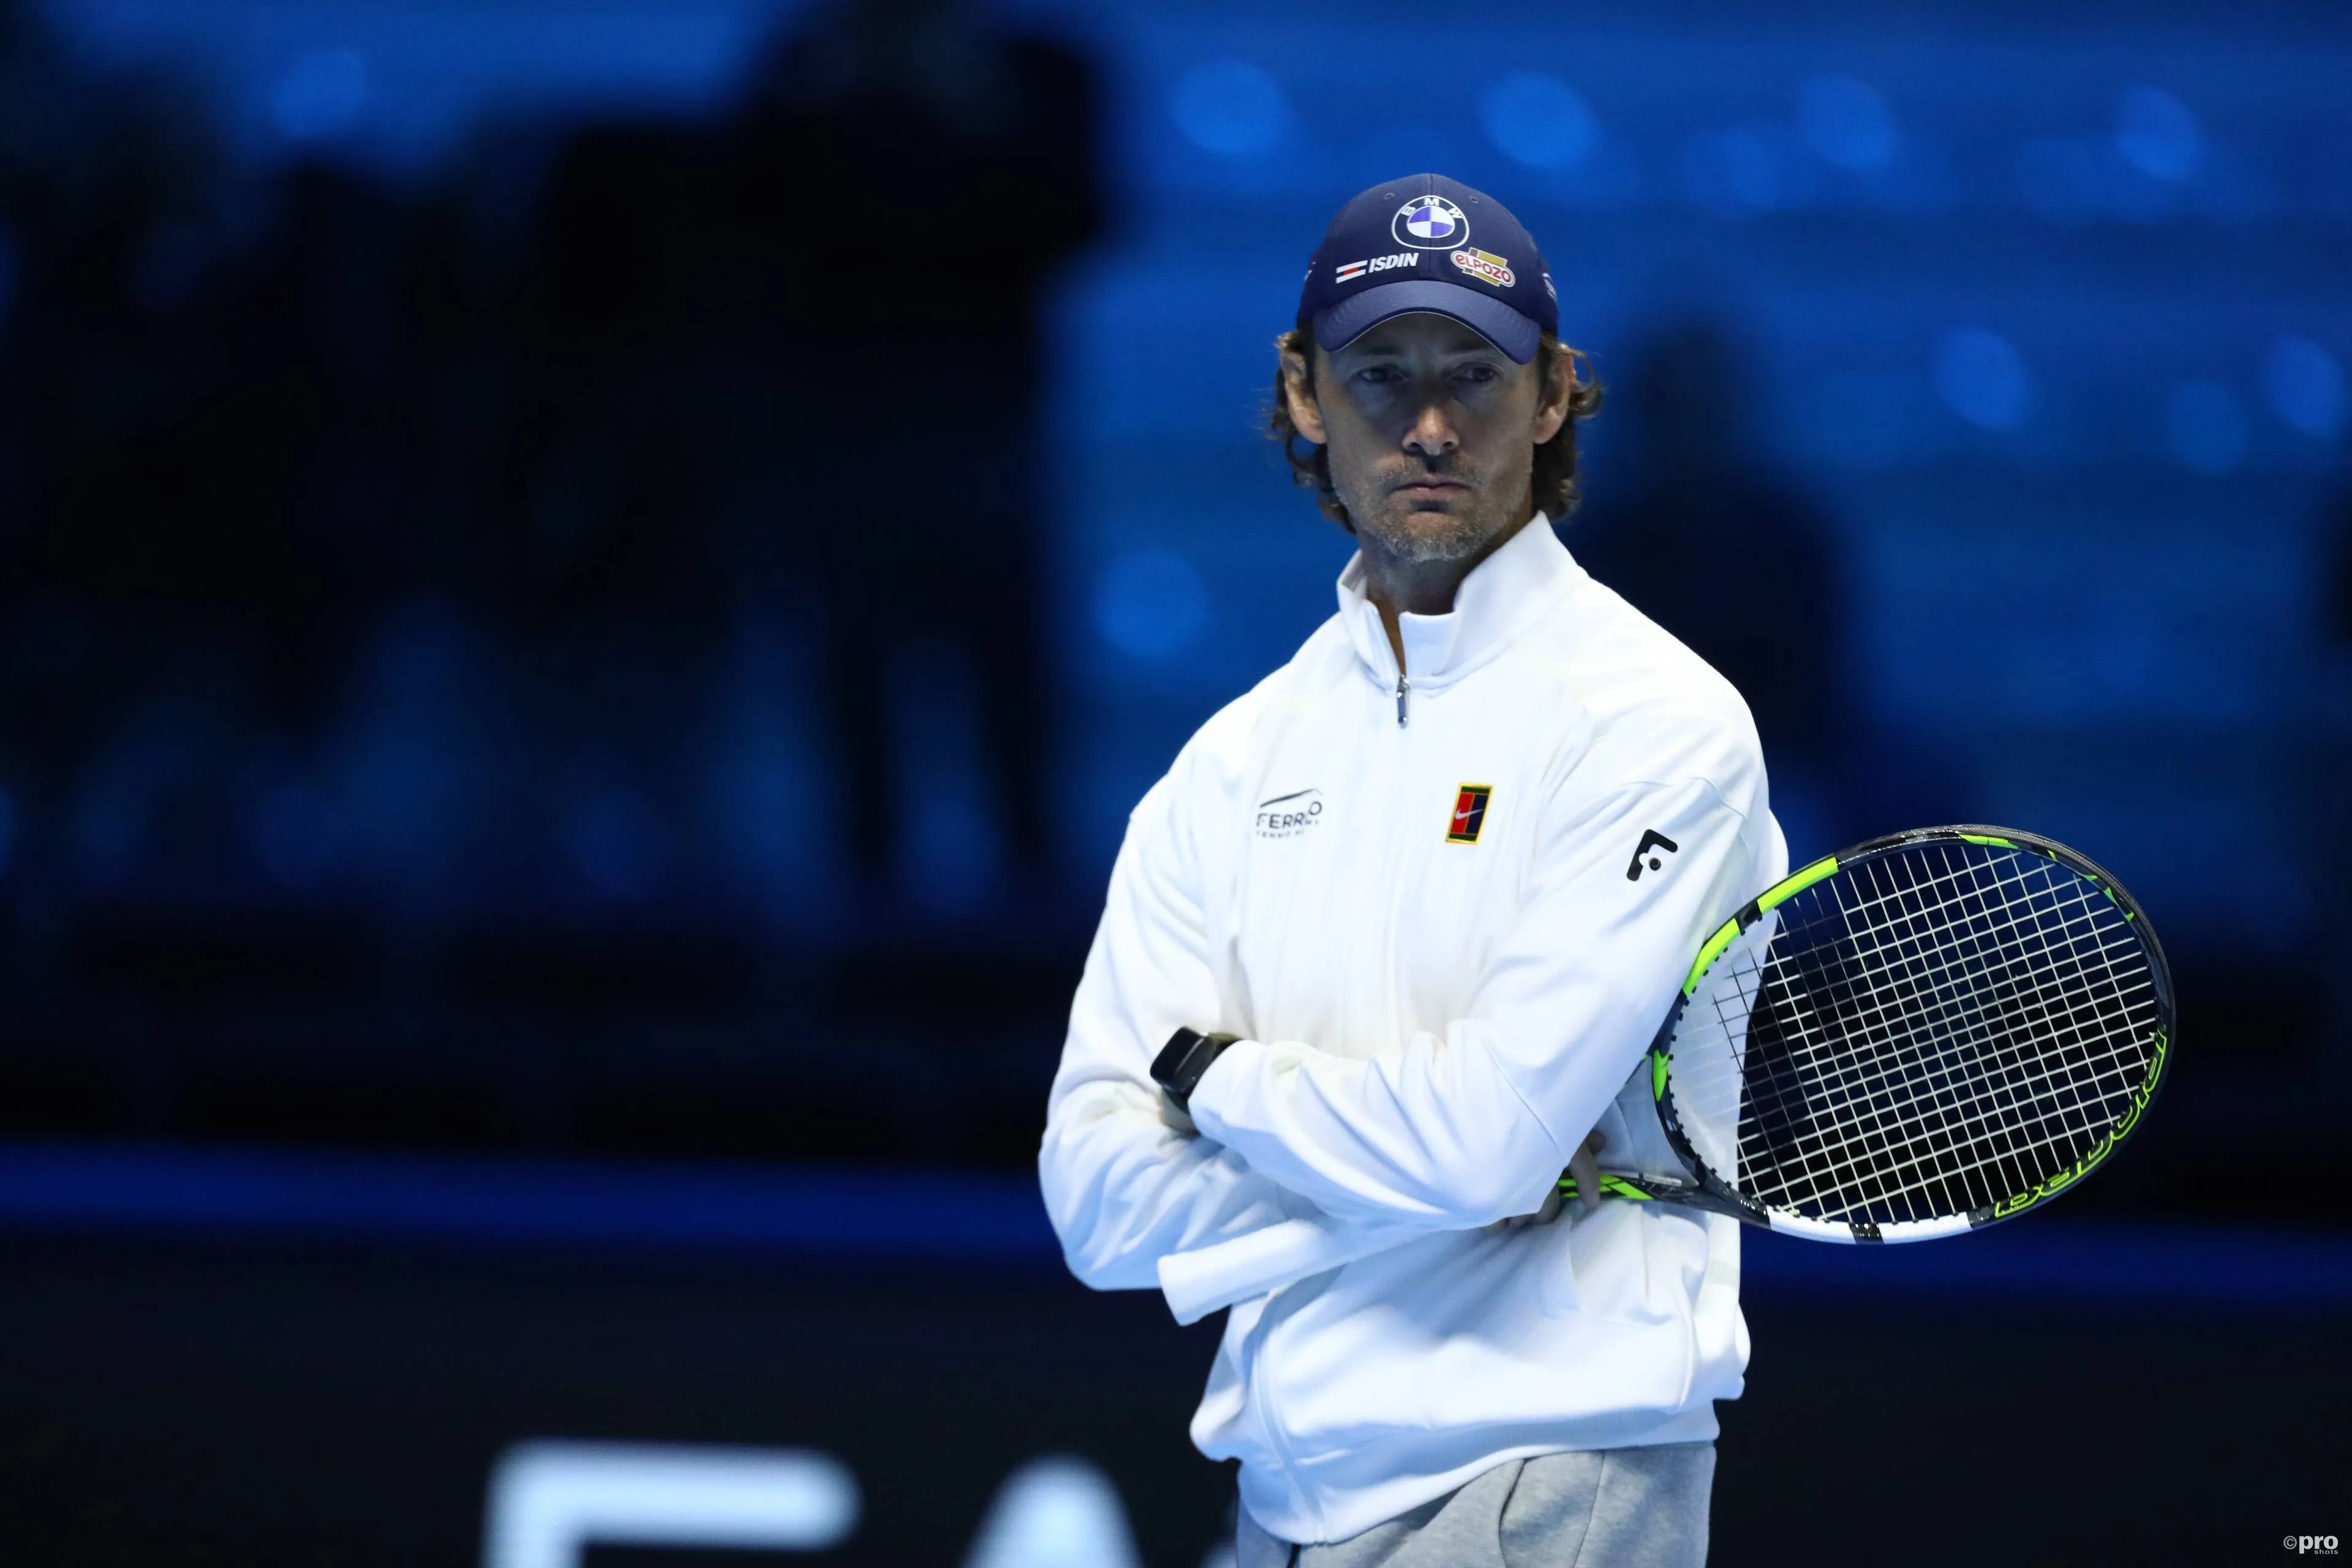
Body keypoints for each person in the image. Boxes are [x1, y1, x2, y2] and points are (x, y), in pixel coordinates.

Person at [1039, 176, 1787, 1567]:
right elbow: (1096, 1196)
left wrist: (1222, 1084)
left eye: (1475, 375)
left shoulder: (1661, 723)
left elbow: (1485, 1139)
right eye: (1381, 374)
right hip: (1280, 1505)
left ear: (1552, 395)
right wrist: (1427, 1177)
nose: (1430, 425)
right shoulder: (1228, 765)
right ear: (1305, 395)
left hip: (1545, 1480)